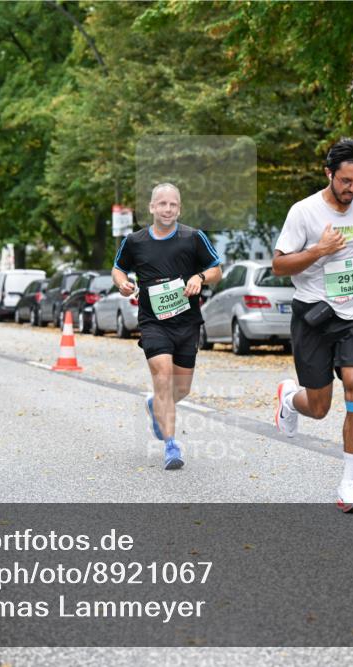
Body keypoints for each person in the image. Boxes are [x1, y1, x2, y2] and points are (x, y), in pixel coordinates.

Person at [272, 138, 353, 513]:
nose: (352, 189)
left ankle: (349, 484)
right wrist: (319, 250)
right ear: (329, 174)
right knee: (319, 406)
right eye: (345, 181)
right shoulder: (303, 212)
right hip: (314, 316)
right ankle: (290, 399)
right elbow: (279, 266)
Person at [112, 183, 222, 470]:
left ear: (179, 208)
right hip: (153, 323)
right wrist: (122, 283)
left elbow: (217, 270)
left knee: (180, 389)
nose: (167, 209)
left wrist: (200, 277)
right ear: (151, 207)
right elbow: (118, 268)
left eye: (173, 204)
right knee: (162, 376)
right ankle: (171, 446)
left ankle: (156, 406)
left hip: (187, 323)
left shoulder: (193, 237)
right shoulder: (135, 241)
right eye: (162, 204)